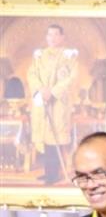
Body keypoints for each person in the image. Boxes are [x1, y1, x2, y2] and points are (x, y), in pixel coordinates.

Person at [28, 23, 79, 185]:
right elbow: (31, 74)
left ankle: (54, 174)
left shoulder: (68, 56)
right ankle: (48, 172)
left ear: (62, 37)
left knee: (54, 138)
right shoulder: (39, 56)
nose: (52, 38)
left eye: (56, 34)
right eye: (49, 34)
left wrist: (53, 92)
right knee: (44, 139)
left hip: (58, 103)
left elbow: (71, 78)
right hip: (42, 100)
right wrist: (41, 89)